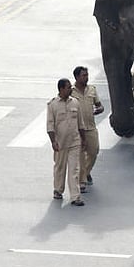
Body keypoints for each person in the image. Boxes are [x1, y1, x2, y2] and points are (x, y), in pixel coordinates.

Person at [47, 78, 86, 206]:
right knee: (60, 167)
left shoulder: (75, 103)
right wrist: (53, 141)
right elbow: (50, 125)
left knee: (74, 169)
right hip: (60, 143)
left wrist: (83, 139)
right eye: (68, 87)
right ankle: (58, 190)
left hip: (74, 141)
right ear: (61, 89)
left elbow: (80, 123)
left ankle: (75, 196)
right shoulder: (53, 105)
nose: (71, 89)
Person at [71, 66, 103, 193]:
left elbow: (99, 105)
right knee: (80, 155)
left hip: (90, 127)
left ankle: (86, 172)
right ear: (77, 77)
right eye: (83, 75)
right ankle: (82, 181)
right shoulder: (71, 92)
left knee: (94, 151)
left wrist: (99, 110)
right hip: (77, 129)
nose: (86, 77)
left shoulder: (92, 90)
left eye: (87, 75)